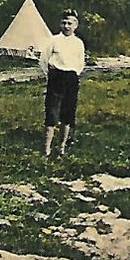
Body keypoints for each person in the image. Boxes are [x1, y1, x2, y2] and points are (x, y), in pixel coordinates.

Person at [39, 9, 86, 157]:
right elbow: (43, 60)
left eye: (70, 23)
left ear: (76, 25)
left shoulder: (78, 43)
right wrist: (51, 75)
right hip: (56, 78)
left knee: (68, 114)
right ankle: (47, 149)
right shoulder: (53, 40)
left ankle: (62, 148)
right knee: (52, 113)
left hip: (71, 79)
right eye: (64, 23)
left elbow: (80, 63)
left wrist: (74, 74)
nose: (66, 26)